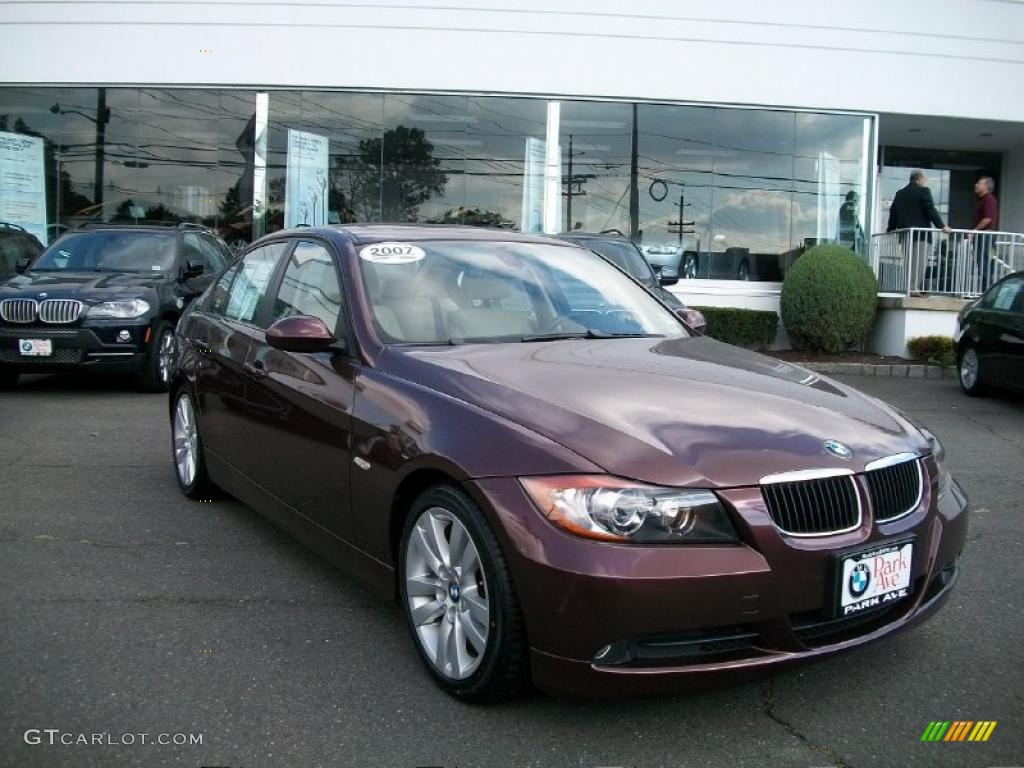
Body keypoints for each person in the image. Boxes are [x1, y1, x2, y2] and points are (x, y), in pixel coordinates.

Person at [887, 170, 951, 293]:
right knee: (919, 263)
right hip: (922, 235)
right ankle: (913, 288)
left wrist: (890, 228)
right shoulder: (923, 191)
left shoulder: (900, 193)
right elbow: (930, 210)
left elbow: (893, 212)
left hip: (905, 235)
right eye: (924, 180)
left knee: (909, 263)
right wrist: (942, 226)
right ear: (919, 179)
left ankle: (909, 287)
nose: (925, 182)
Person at [972, 176, 999, 291]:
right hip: (985, 237)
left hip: (985, 237)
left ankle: (987, 290)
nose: (976, 185)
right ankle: (986, 290)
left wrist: (974, 231)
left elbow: (987, 219)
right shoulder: (983, 200)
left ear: (986, 186)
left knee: (985, 264)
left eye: (979, 183)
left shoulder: (989, 199)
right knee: (984, 264)